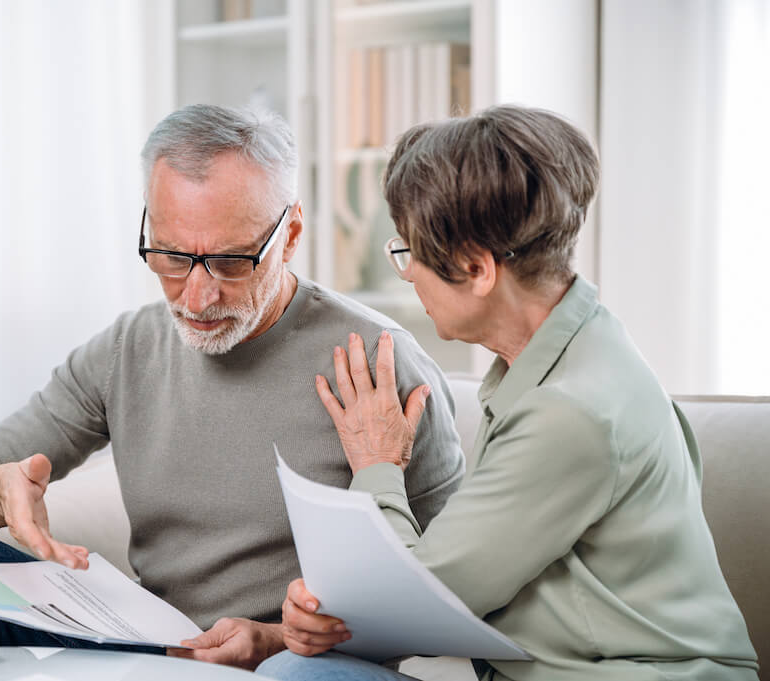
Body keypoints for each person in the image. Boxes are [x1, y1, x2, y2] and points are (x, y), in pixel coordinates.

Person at [0, 104, 465, 671]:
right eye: (172, 257)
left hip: (296, 663)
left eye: (232, 262)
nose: (197, 298)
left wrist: (275, 640)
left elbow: (454, 592)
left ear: (289, 234)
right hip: (150, 651)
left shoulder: (378, 362)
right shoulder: (126, 350)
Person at [258, 106, 759, 680]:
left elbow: (416, 608)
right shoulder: (582, 344)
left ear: (476, 269)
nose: (408, 274)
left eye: (410, 254)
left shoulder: (568, 413)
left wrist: (376, 465)